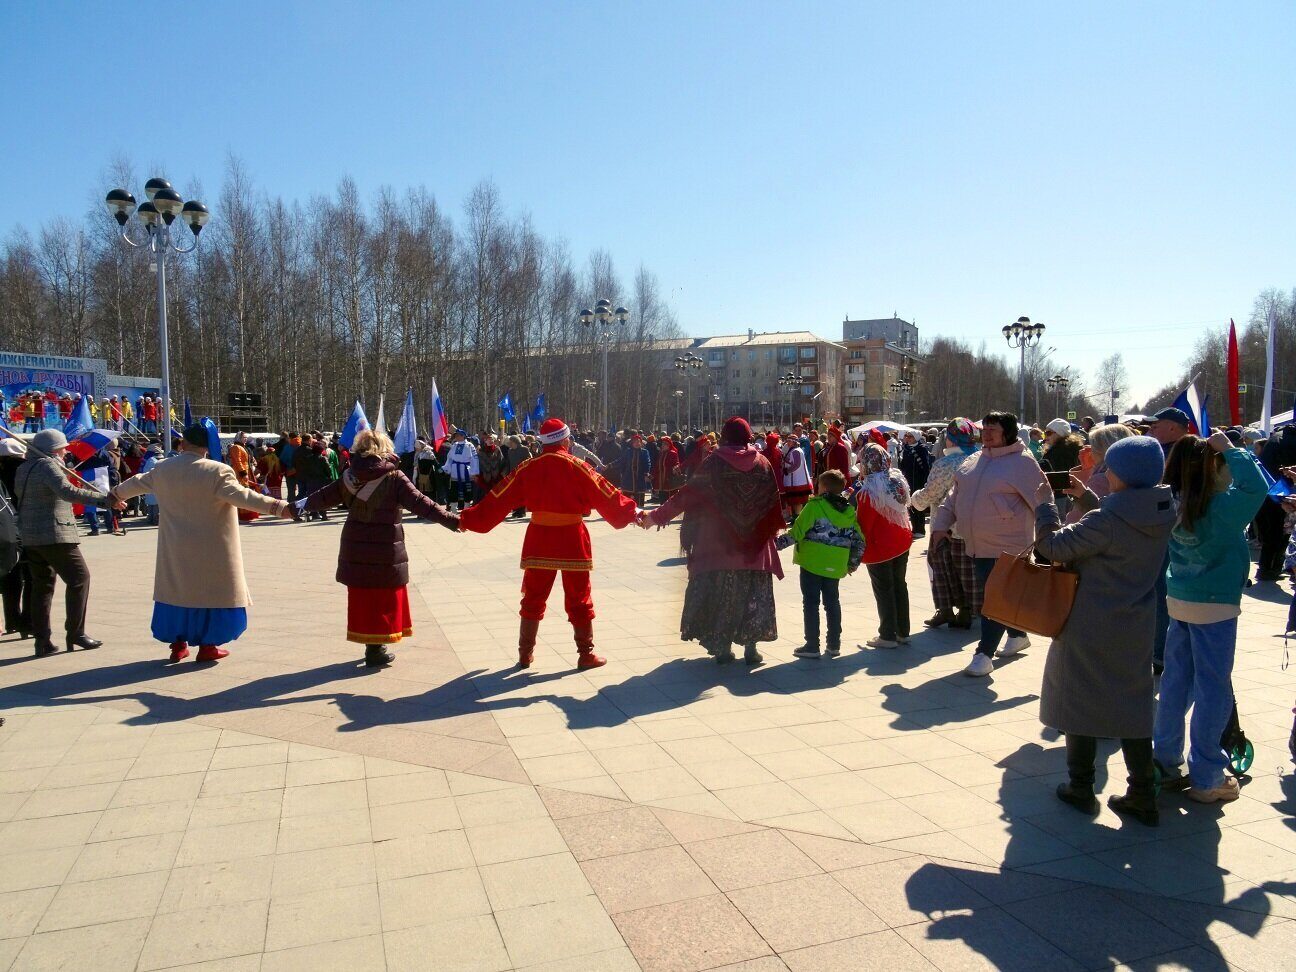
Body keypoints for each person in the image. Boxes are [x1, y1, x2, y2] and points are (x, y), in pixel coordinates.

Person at [1033, 436, 1175, 826]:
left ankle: (1081, 787)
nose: (1103, 473)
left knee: (1078, 699)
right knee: (1132, 704)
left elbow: (1052, 547)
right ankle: (1143, 793)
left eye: (1107, 467)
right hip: (1135, 621)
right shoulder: (1162, 508)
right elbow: (1120, 528)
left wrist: (1045, 506)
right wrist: (1087, 501)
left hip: (1089, 621)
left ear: (1122, 474)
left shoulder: (1107, 521)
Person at [460, 417, 639, 669]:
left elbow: (499, 497)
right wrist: (633, 513)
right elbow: (606, 493)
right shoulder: (578, 466)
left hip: (539, 538)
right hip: (572, 538)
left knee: (533, 596)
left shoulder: (527, 467)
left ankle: (525, 654)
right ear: (565, 440)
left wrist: (468, 519)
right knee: (579, 596)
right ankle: (585, 654)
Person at [111, 424, 294, 664]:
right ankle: (208, 647)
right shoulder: (217, 471)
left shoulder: (162, 469)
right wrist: (279, 507)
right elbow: (244, 497)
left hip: (174, 545)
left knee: (176, 592)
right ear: (207, 446)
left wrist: (116, 495)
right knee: (211, 594)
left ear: (183, 443)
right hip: (211, 547)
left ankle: (177, 646)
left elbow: (136, 482)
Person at [1153, 430, 1267, 804]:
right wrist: (1231, 450)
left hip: (1180, 598)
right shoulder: (1220, 508)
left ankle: (1164, 762)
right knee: (1212, 688)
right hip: (1215, 604)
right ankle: (1206, 775)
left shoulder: (1169, 502)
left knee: (1175, 683)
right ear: (1212, 469)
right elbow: (1256, 487)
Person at [303, 429, 459, 667]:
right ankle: (376, 649)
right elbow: (421, 503)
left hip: (356, 544)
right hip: (386, 545)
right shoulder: (394, 477)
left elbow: (322, 497)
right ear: (385, 448)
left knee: (363, 596)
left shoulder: (349, 475)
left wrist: (292, 508)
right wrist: (452, 520)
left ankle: (371, 646)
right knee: (383, 597)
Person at [646, 417, 784, 666]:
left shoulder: (714, 463)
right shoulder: (763, 463)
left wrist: (656, 516)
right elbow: (773, 505)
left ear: (724, 436)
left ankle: (723, 648)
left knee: (722, 595)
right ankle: (751, 650)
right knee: (752, 595)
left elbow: (687, 495)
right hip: (756, 549)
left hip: (717, 545)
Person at [931, 411, 1047, 677]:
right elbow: (952, 498)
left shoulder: (1023, 464)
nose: (986, 434)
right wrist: (940, 526)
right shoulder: (974, 460)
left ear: (1008, 433)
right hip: (976, 544)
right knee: (997, 597)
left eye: (993, 430)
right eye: (984, 430)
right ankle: (1017, 635)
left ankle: (983, 654)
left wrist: (1051, 539)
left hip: (1008, 547)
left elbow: (1044, 501)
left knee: (992, 599)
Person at [14, 430, 115, 656]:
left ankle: (42, 640)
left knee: (42, 587)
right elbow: (67, 491)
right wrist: (103, 499)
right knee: (80, 578)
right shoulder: (48, 466)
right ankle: (76, 633)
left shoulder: (24, 467)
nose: (66, 451)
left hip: (31, 535)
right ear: (53, 449)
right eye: (62, 448)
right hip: (54, 533)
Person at [911, 418, 979, 629]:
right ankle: (968, 611)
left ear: (950, 439)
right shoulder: (981, 459)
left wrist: (914, 499)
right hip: (974, 528)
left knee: (942, 570)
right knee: (968, 572)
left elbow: (931, 494)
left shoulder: (945, 464)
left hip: (945, 528)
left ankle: (946, 610)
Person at [790, 469, 864, 659]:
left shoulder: (814, 506)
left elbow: (797, 531)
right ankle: (834, 645)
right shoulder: (848, 510)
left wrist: (774, 545)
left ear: (823, 488)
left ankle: (812, 645)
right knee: (832, 603)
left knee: (811, 603)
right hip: (835, 564)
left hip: (811, 562)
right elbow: (859, 539)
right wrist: (852, 563)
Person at [856, 442, 914, 648]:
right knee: (900, 585)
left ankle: (887, 635)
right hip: (902, 541)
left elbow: (864, 525)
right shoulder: (897, 481)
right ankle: (903, 631)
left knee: (884, 589)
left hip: (881, 547)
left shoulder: (869, 491)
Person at [1065, 423, 1134, 524]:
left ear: (1102, 451)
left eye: (1093, 447)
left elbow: (1075, 520)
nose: (1090, 452)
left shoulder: (1102, 479)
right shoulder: (1132, 473)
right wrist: (1087, 468)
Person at [0, 437, 31, 639]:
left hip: (5, 529)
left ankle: (11, 620)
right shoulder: (25, 470)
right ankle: (26, 622)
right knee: (29, 576)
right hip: (25, 528)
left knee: (9, 578)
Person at [898, 430, 931, 536]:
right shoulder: (906, 449)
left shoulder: (922, 449)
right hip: (908, 481)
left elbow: (926, 466)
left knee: (919, 503)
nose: (908, 438)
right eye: (907, 436)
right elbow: (902, 465)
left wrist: (925, 480)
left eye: (910, 436)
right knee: (910, 503)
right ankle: (914, 528)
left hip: (919, 481)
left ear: (916, 437)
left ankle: (920, 529)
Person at [615, 433, 653, 508]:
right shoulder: (628, 452)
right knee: (628, 503)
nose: (637, 443)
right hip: (628, 480)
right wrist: (610, 466)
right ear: (632, 443)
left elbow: (647, 463)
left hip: (640, 480)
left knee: (639, 504)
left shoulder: (644, 452)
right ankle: (628, 518)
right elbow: (621, 462)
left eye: (639, 442)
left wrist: (646, 473)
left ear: (641, 443)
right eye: (635, 442)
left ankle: (639, 518)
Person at [445, 429, 479, 511]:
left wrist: (474, 472)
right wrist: (447, 468)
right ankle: (453, 509)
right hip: (455, 471)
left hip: (466, 472)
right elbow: (449, 457)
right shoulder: (454, 445)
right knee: (454, 490)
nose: (456, 436)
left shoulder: (470, 445)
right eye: (456, 435)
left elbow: (474, 459)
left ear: (463, 436)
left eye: (458, 435)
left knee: (467, 490)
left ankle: (466, 508)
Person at [781, 434, 813, 519]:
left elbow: (796, 464)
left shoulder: (796, 451)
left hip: (797, 481)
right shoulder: (793, 450)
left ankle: (798, 519)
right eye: (787, 441)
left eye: (789, 441)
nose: (787, 443)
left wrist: (787, 470)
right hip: (794, 480)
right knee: (794, 501)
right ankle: (796, 517)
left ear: (794, 442)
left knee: (797, 501)